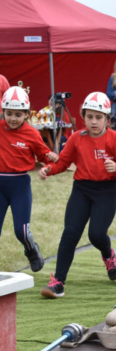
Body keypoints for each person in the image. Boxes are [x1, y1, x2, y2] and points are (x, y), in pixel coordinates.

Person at [38, 92, 116, 298]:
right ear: (84, 117)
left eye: (98, 117)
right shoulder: (76, 138)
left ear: (107, 119)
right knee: (70, 233)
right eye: (89, 117)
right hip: (81, 189)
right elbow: (63, 162)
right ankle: (58, 282)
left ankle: (108, 255)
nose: (94, 122)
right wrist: (48, 169)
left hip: (106, 191)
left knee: (96, 234)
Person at [0, 86, 58, 272]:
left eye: (18, 114)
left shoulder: (32, 133)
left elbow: (44, 155)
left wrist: (50, 159)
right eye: (9, 113)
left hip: (20, 185)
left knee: (22, 231)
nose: (13, 118)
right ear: (3, 111)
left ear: (26, 114)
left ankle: (32, 250)